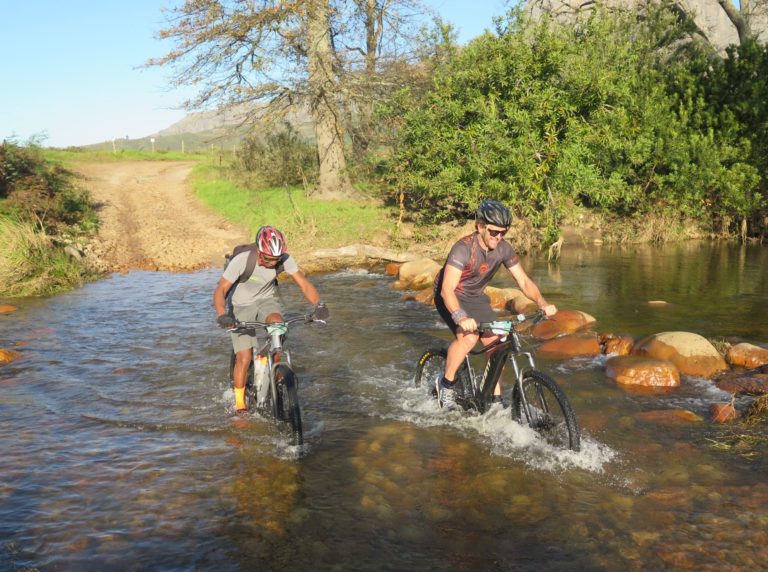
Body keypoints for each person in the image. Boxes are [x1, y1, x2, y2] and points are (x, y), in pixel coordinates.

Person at [433, 200, 557, 410]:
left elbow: (524, 281)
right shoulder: (463, 249)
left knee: (497, 345)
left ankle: (494, 400)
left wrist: (542, 303)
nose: (498, 237)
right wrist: (461, 317)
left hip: (476, 297)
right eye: (493, 232)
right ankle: (446, 384)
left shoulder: (503, 249)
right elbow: (447, 290)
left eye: (503, 233)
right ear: (480, 226)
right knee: (469, 337)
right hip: (450, 295)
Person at [213, 225, 329, 413]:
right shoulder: (243, 261)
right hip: (241, 305)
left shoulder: (284, 259)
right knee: (244, 356)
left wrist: (319, 305)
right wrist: (222, 314)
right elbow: (221, 289)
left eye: (276, 260)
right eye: (268, 258)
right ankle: (240, 406)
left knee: (278, 325)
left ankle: (273, 370)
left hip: (267, 300)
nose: (272, 263)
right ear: (259, 251)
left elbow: (304, 285)